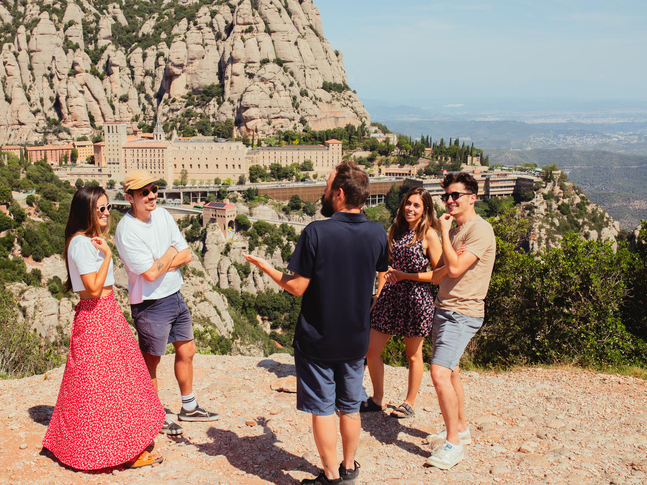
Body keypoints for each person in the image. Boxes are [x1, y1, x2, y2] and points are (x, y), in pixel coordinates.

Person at [244, 161, 388, 485]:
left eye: (326, 187)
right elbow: (381, 280)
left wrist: (265, 266)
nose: (323, 193)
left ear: (338, 194)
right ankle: (349, 468)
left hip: (318, 341)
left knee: (323, 409)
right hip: (355, 341)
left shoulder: (316, 232)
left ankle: (331, 475)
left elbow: (296, 288)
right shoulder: (377, 232)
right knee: (350, 408)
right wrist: (368, 308)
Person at [43, 186, 165, 471]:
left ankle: (124, 444)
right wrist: (108, 255)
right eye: (101, 208)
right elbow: (94, 289)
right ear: (87, 211)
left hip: (106, 314)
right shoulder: (81, 243)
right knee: (104, 385)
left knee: (116, 383)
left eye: (108, 207)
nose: (107, 212)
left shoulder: (89, 240)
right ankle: (119, 451)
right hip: (97, 315)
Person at [115, 170, 219, 437]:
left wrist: (164, 260)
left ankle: (189, 406)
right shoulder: (127, 230)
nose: (152, 196)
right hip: (150, 303)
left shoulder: (161, 215)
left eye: (154, 189)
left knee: (187, 350)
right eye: (144, 192)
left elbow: (186, 254)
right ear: (130, 197)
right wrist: (170, 254)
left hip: (174, 294)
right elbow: (149, 274)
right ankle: (152, 415)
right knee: (151, 361)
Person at [425, 172, 496, 470]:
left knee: (439, 374)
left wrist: (443, 231)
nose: (450, 201)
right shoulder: (458, 231)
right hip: (446, 308)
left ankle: (453, 445)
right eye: (446, 196)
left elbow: (453, 270)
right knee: (451, 371)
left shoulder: (479, 231)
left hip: (462, 312)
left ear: (472, 197)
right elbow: (441, 268)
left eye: (456, 195)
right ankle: (461, 429)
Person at [362, 187, 442, 419]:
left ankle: (409, 402)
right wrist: (378, 295)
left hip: (417, 299)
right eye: (408, 203)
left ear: (425, 209)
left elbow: (437, 275)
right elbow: (386, 266)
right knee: (371, 349)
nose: (410, 208)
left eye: (416, 205)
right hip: (391, 296)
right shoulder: (395, 230)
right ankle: (377, 399)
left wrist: (407, 275)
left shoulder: (429, 234)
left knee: (413, 354)